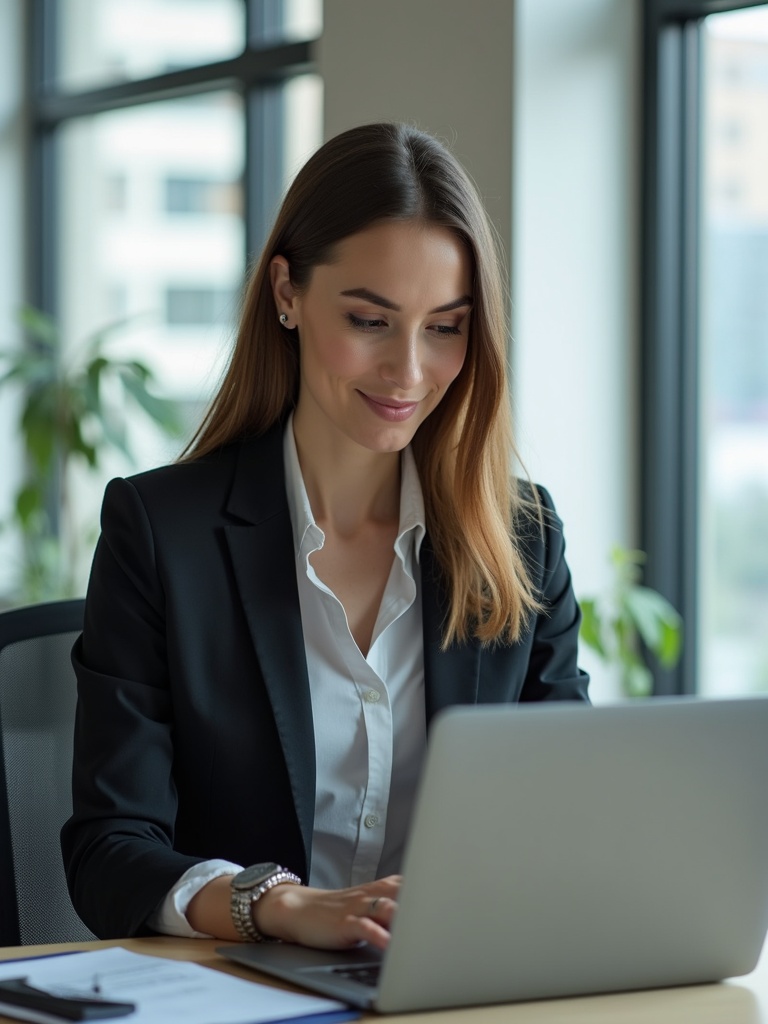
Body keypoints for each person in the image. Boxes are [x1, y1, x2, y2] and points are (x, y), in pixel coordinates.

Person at [61, 121, 589, 951]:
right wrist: (277, 906)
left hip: (455, 989)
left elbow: (569, 812)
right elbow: (108, 852)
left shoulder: (521, 541)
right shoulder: (162, 534)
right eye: (371, 320)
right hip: (245, 992)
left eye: (445, 327)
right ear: (286, 293)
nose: (409, 372)